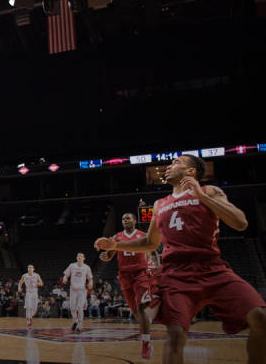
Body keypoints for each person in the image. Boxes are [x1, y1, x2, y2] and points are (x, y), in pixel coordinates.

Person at [95, 154, 266, 363]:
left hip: (213, 269)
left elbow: (240, 222)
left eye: (176, 163)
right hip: (176, 275)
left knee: (260, 318)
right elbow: (150, 243)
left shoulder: (209, 191)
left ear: (191, 171)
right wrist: (116, 245)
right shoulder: (159, 204)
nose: (168, 166)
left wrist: (202, 198)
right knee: (175, 335)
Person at [99, 212, 155, 359]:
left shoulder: (143, 235)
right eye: (123, 218)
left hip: (140, 273)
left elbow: (151, 250)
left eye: (128, 218)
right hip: (124, 276)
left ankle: (146, 344)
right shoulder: (116, 237)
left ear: (135, 221)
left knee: (142, 307)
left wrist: (152, 263)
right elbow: (110, 255)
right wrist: (106, 256)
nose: (125, 220)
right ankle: (145, 325)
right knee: (135, 311)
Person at [62, 252, 92, 332]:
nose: (79, 257)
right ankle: (75, 321)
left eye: (81, 256)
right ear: (76, 258)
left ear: (84, 258)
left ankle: (80, 325)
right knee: (72, 308)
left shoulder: (86, 267)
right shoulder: (72, 265)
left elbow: (90, 278)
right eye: (78, 256)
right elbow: (66, 275)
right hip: (73, 290)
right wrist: (64, 278)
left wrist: (90, 283)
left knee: (79, 307)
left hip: (82, 290)